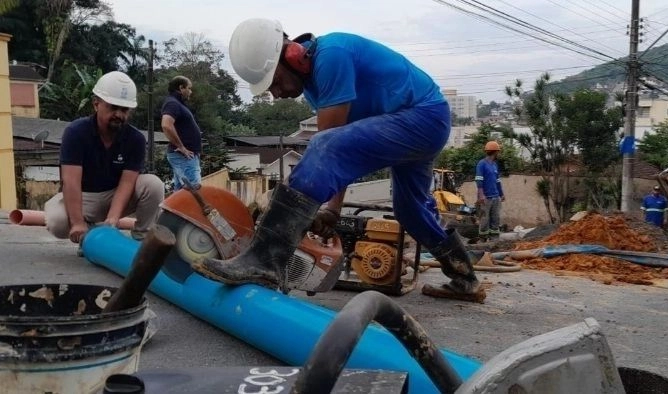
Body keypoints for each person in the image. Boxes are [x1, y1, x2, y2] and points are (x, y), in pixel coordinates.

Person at [192, 18, 483, 301]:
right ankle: (465, 278)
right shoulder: (314, 81)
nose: (276, 93)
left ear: (293, 55)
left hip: (422, 117)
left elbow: (329, 148)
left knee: (324, 145)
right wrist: (332, 210)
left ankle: (265, 259)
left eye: (275, 82)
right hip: (423, 120)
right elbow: (340, 150)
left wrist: (328, 207)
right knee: (410, 210)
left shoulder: (332, 57)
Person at [44, 71, 165, 249]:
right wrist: (77, 222)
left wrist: (113, 220)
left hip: (113, 194)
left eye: (124, 110)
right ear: (96, 104)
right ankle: (88, 231)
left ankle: (142, 239)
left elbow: (126, 184)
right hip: (83, 197)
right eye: (112, 107)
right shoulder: (76, 132)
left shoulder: (135, 139)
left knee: (154, 184)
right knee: (57, 222)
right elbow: (71, 181)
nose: (118, 114)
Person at [161, 76, 202, 190]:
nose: (191, 91)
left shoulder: (177, 103)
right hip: (184, 155)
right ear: (181, 88)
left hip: (185, 155)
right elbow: (166, 125)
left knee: (180, 192)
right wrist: (181, 147)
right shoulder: (172, 103)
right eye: (189, 88)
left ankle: (170, 209)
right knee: (194, 190)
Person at [475, 141, 505, 238]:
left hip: (495, 197)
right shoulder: (482, 164)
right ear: (495, 152)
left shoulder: (494, 165)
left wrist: (501, 194)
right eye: (498, 152)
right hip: (486, 198)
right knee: (484, 219)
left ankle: (494, 240)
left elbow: (497, 181)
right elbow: (479, 180)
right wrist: (481, 195)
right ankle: (483, 240)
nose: (498, 153)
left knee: (495, 219)